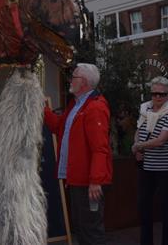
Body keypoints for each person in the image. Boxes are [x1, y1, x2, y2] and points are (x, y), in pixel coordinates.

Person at [43, 63, 113, 245]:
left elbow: (100, 147)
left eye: (73, 77)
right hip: (76, 180)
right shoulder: (76, 105)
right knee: (82, 228)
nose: (70, 80)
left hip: (87, 182)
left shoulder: (95, 107)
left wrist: (95, 181)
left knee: (91, 230)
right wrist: (42, 109)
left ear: (83, 82)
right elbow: (58, 127)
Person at [132, 76, 168, 245]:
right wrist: (137, 144)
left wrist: (139, 147)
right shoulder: (146, 109)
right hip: (146, 167)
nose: (158, 97)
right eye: (154, 93)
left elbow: (161, 140)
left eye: (162, 94)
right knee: (144, 208)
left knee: (167, 210)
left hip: (166, 167)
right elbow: (139, 129)